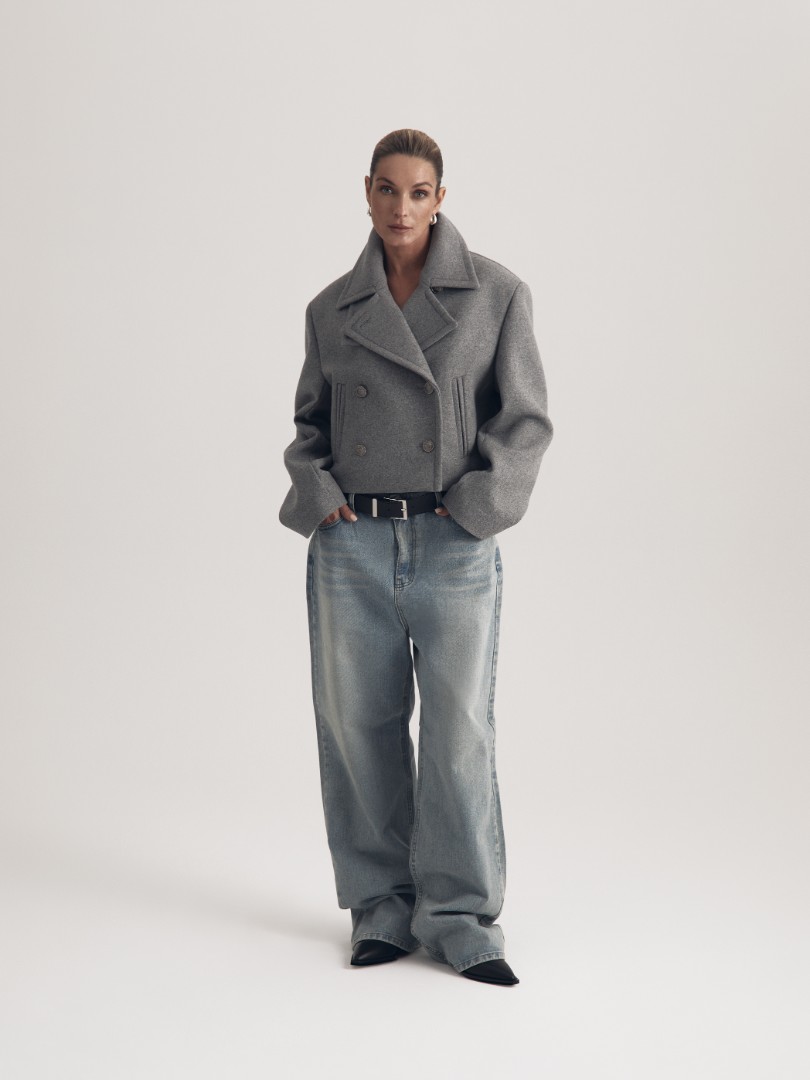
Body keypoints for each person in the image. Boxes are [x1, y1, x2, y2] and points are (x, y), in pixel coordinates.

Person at [279, 129, 553, 986]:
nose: (402, 207)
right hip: (351, 545)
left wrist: (476, 509)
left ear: (441, 198)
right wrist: (318, 494)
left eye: (419, 191)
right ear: (367, 192)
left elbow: (525, 421)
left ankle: (462, 918)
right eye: (388, 189)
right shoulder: (331, 308)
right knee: (356, 730)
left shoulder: (496, 294)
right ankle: (380, 909)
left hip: (452, 543)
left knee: (459, 733)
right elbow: (309, 425)